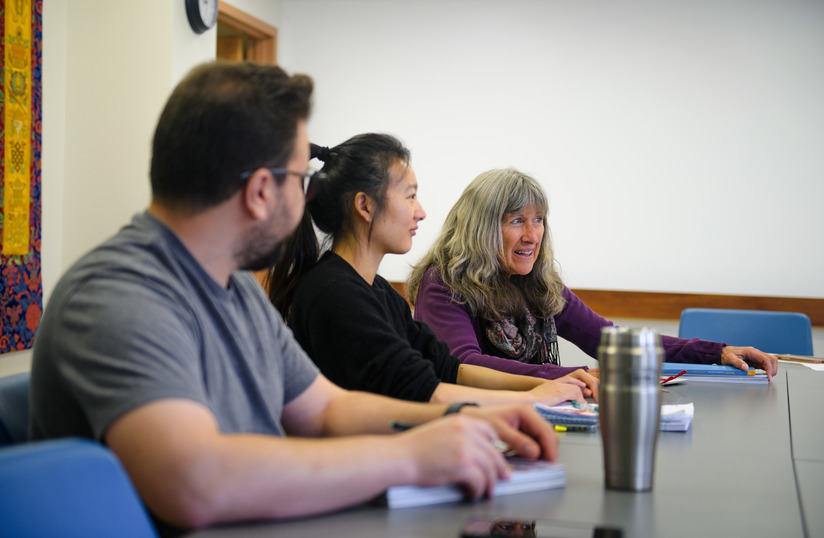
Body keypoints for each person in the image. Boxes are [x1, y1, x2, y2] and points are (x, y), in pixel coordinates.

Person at [28, 63, 558, 535]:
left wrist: (468, 418)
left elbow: (327, 409)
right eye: (297, 178)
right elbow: (195, 483)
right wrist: (409, 457)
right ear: (261, 191)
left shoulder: (232, 289)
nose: (307, 197)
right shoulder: (120, 298)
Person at [267, 134, 597, 407]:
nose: (421, 212)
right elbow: (426, 392)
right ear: (365, 205)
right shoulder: (335, 294)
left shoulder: (378, 292)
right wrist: (534, 396)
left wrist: (545, 386)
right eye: (410, 197)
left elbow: (450, 368)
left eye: (538, 220)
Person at [406, 168, 779, 382]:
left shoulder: (537, 284)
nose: (532, 235)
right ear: (482, 227)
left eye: (538, 220)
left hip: (534, 413)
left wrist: (716, 352)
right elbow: (465, 365)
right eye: (517, 220)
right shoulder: (443, 284)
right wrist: (578, 374)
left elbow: (609, 341)